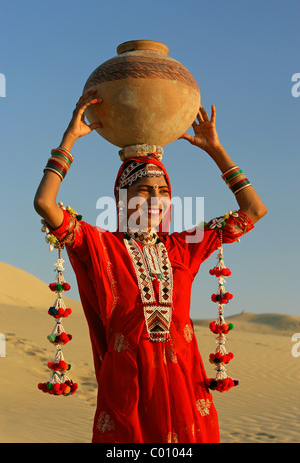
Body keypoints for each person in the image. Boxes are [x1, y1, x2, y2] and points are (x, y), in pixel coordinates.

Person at [34, 89, 267, 443]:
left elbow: (253, 211)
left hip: (185, 383)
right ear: (121, 197)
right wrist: (70, 138)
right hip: (128, 382)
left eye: (163, 191)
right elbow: (45, 203)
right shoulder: (99, 245)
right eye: (143, 189)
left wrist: (216, 151)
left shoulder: (184, 246)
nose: (155, 199)